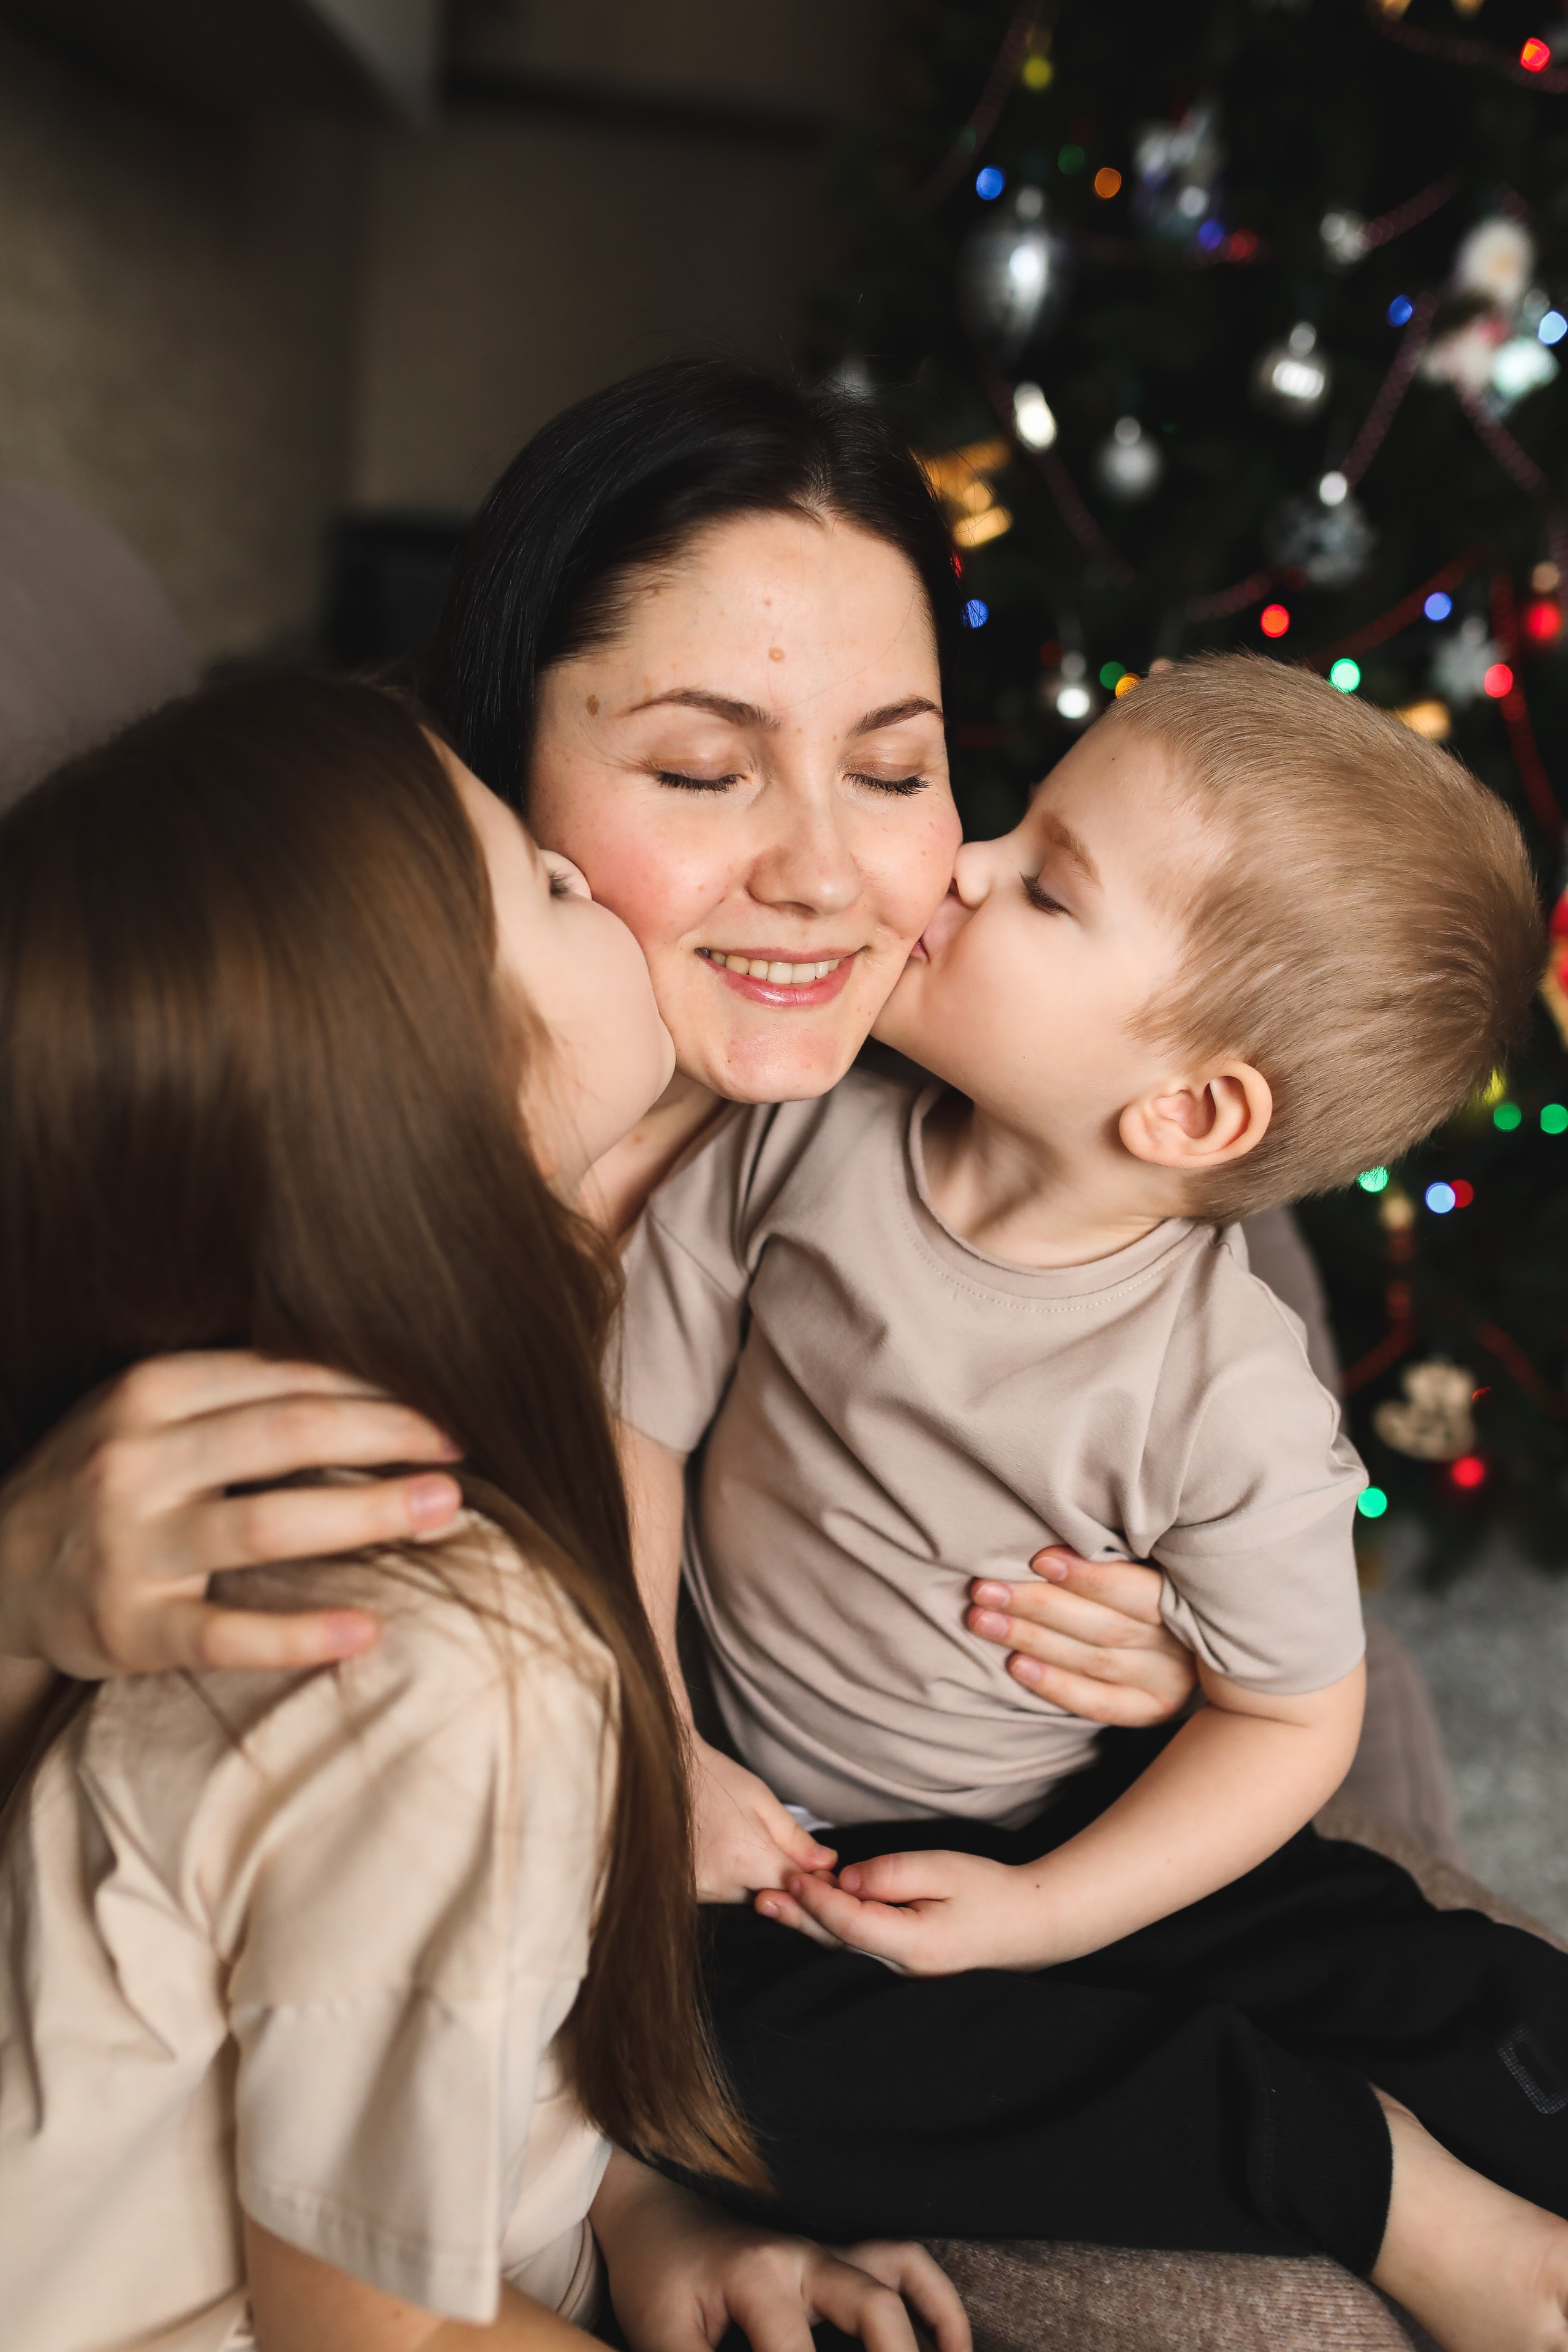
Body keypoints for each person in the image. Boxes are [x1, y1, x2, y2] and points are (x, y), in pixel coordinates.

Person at [0, 676, 969, 2352]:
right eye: (537, 873)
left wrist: (629, 2214)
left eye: (895, 764)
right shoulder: (447, 1647)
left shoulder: (316, 1452)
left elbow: (350, 2027)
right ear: (423, 1101)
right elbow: (364, 2331)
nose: (583, 886)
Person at [613, 654, 1568, 2352]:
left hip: (1071, 1808)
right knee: (726, 2074)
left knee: (1411, 1972)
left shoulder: (1230, 1395)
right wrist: (669, 1748)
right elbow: (636, 1430)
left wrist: (1051, 1910)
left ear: (1188, 1109)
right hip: (784, 1849)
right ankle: (1342, 2168)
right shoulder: (795, 1132)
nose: (961, 865)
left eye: (1044, 883)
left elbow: (1290, 1718)